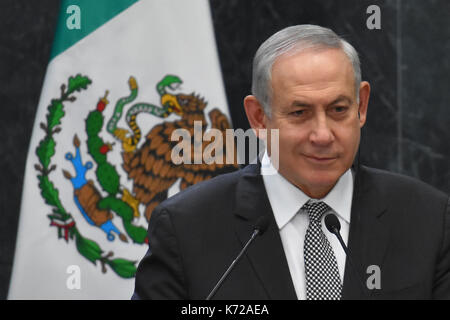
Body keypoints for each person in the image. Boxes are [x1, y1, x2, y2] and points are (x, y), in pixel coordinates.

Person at [132, 25, 450, 300]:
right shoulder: (187, 228)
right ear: (259, 117)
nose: (323, 135)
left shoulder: (428, 220)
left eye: (339, 109)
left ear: (361, 105)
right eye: (299, 113)